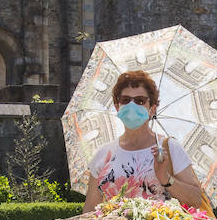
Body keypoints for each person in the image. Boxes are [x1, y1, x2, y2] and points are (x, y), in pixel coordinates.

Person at [81, 70, 205, 211]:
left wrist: (165, 178)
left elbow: (195, 199)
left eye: (140, 101)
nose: (132, 105)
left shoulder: (169, 148)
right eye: (125, 100)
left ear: (152, 109)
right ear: (117, 106)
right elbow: (89, 210)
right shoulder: (103, 154)